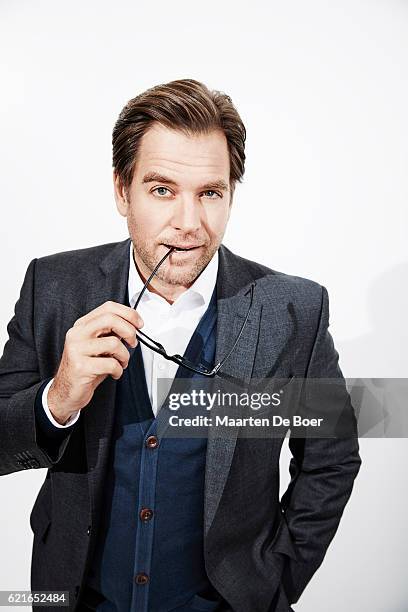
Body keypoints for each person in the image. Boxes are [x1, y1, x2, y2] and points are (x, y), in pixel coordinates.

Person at [0, 79, 361, 612]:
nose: (189, 225)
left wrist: (276, 585)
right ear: (123, 191)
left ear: (231, 194)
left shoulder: (295, 311)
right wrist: (56, 400)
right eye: (162, 190)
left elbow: (332, 459)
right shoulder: (52, 286)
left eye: (210, 193)